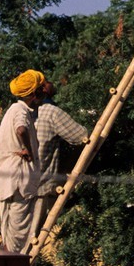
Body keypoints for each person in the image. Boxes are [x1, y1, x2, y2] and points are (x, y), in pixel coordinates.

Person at [0, 69, 43, 266]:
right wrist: (27, 150)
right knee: (18, 233)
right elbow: (21, 130)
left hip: (6, 179)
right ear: (33, 94)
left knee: (9, 231)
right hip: (17, 180)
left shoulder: (11, 111)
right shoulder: (20, 111)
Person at [33, 77, 89, 244]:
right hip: (39, 189)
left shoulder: (16, 112)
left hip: (15, 188)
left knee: (14, 246)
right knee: (28, 246)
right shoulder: (51, 112)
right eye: (45, 82)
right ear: (43, 89)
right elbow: (82, 135)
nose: (50, 83)